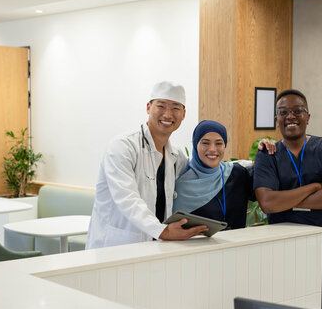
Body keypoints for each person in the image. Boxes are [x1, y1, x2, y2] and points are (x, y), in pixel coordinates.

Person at [253, 89, 322, 309]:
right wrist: (314, 187)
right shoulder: (267, 154)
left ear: (308, 116)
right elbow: (268, 203)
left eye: (297, 111)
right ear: (276, 119)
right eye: (283, 112)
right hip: (284, 249)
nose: (291, 116)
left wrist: (288, 200)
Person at [86, 81, 208, 249]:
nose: (167, 114)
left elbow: (203, 171)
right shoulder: (123, 147)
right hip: (115, 245)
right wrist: (162, 231)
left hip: (156, 246)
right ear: (148, 107)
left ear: (183, 114)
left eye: (175, 108)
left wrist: (254, 161)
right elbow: (127, 198)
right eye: (161, 106)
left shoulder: (176, 156)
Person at [173, 120, 253, 229]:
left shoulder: (237, 174)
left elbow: (266, 193)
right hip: (197, 246)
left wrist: (266, 152)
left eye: (219, 143)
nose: (212, 149)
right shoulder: (180, 185)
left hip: (236, 245)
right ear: (196, 145)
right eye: (205, 143)